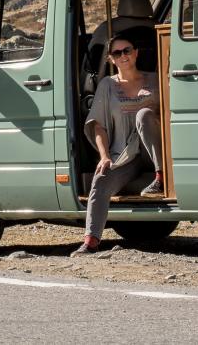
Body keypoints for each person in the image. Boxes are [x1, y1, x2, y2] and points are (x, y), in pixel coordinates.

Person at [72, 32, 164, 256]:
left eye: (127, 50)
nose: (123, 55)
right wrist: (104, 156)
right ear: (110, 59)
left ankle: (160, 178)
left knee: (144, 115)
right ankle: (91, 240)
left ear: (136, 53)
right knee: (101, 179)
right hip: (126, 154)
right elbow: (98, 125)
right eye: (117, 52)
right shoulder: (107, 85)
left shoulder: (156, 78)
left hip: (155, 150)